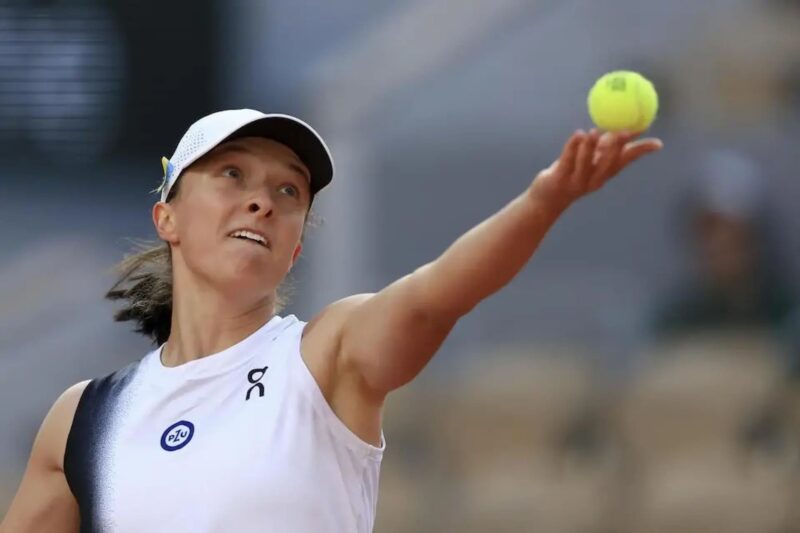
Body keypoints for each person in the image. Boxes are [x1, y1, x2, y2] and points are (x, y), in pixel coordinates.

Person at [0, 108, 662, 532]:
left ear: (294, 248)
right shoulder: (83, 418)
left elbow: (437, 297)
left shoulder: (324, 357)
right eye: (231, 174)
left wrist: (544, 201)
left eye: (288, 190)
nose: (262, 200)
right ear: (166, 217)